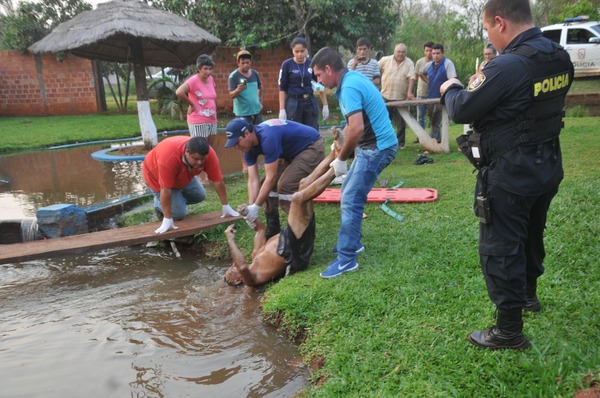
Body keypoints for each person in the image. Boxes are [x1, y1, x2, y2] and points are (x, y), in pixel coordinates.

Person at [440, 0, 573, 350]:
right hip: (546, 166)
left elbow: (461, 108)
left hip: (511, 172)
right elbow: (525, 105)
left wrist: (451, 87)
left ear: (499, 22)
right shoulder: (558, 56)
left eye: (486, 30)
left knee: (502, 246)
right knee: (531, 234)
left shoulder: (509, 66)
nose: (489, 36)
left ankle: (509, 331)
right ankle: (528, 295)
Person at [311, 47, 398, 279]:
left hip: (378, 147)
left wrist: (340, 160)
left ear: (329, 69)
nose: (318, 81)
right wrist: (340, 144)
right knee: (351, 190)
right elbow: (352, 125)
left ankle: (347, 259)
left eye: (319, 75)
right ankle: (353, 243)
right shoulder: (351, 77)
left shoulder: (348, 86)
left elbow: (357, 128)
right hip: (376, 145)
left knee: (350, 197)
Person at [224, 146, 339, 287]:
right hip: (295, 252)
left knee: (304, 183)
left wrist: (247, 214)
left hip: (292, 237)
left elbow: (260, 229)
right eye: (230, 272)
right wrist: (230, 239)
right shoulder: (252, 279)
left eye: (230, 268)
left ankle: (335, 154)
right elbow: (241, 266)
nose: (232, 268)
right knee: (296, 199)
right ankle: (336, 170)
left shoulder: (256, 255)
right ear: (237, 280)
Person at [224, 118, 325, 240]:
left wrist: (257, 206)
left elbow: (271, 177)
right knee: (266, 185)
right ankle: (273, 227)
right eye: (233, 144)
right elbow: (253, 179)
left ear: (246, 133)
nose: (236, 147)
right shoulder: (247, 149)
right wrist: (251, 209)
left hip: (311, 146)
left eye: (237, 142)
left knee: (286, 185)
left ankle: (301, 231)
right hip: (291, 152)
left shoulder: (268, 137)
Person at [142, 136, 239, 234]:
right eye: (196, 159)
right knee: (178, 214)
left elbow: (218, 181)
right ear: (187, 152)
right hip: (156, 177)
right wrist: (167, 218)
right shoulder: (168, 157)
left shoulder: (209, 154)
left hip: (183, 174)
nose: (200, 162)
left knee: (200, 195)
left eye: (203, 159)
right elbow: (165, 190)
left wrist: (226, 205)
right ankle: (159, 204)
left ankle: (175, 200)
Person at [278, 35, 329, 130]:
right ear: (292, 51)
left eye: (302, 51)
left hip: (309, 101)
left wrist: (325, 105)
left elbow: (320, 84)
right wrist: (282, 109)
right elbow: (282, 88)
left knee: (312, 131)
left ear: (306, 50)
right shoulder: (287, 65)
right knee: (295, 131)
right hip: (293, 102)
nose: (299, 54)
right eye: (296, 52)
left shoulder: (312, 64)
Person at [378, 43, 416, 149]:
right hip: (385, 96)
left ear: (406, 53)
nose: (400, 54)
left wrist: (409, 92)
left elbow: (412, 77)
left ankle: (401, 143)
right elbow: (375, 71)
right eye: (398, 51)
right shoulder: (385, 60)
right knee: (385, 120)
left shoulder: (409, 63)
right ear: (394, 51)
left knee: (401, 122)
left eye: (403, 52)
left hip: (401, 97)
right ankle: (386, 142)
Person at [176, 54, 218, 146]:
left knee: (210, 149)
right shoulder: (193, 80)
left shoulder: (210, 79)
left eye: (210, 69)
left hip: (212, 119)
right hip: (198, 120)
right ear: (199, 68)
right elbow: (179, 92)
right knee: (199, 149)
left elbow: (212, 97)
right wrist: (192, 104)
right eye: (205, 68)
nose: (208, 71)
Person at [421, 44, 457, 143]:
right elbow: (421, 73)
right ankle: (437, 140)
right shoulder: (429, 65)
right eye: (433, 53)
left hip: (442, 98)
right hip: (430, 97)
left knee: (435, 121)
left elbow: (453, 79)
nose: (435, 55)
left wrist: (446, 90)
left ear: (442, 53)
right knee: (433, 120)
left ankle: (433, 141)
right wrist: (428, 81)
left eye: (438, 53)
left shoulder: (448, 64)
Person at [228, 50, 263, 125]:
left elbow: (260, 88)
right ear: (238, 63)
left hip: (256, 111)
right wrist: (238, 89)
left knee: (258, 134)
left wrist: (258, 101)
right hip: (242, 113)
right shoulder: (234, 76)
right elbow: (231, 95)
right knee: (245, 135)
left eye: (247, 62)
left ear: (251, 62)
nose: (245, 65)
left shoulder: (255, 73)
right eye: (243, 63)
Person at [414, 41, 434, 136]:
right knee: (420, 116)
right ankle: (420, 136)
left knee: (433, 116)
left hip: (433, 93)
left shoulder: (437, 62)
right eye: (427, 50)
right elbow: (417, 76)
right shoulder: (419, 62)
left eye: (431, 50)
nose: (429, 53)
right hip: (421, 92)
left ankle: (434, 136)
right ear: (424, 51)